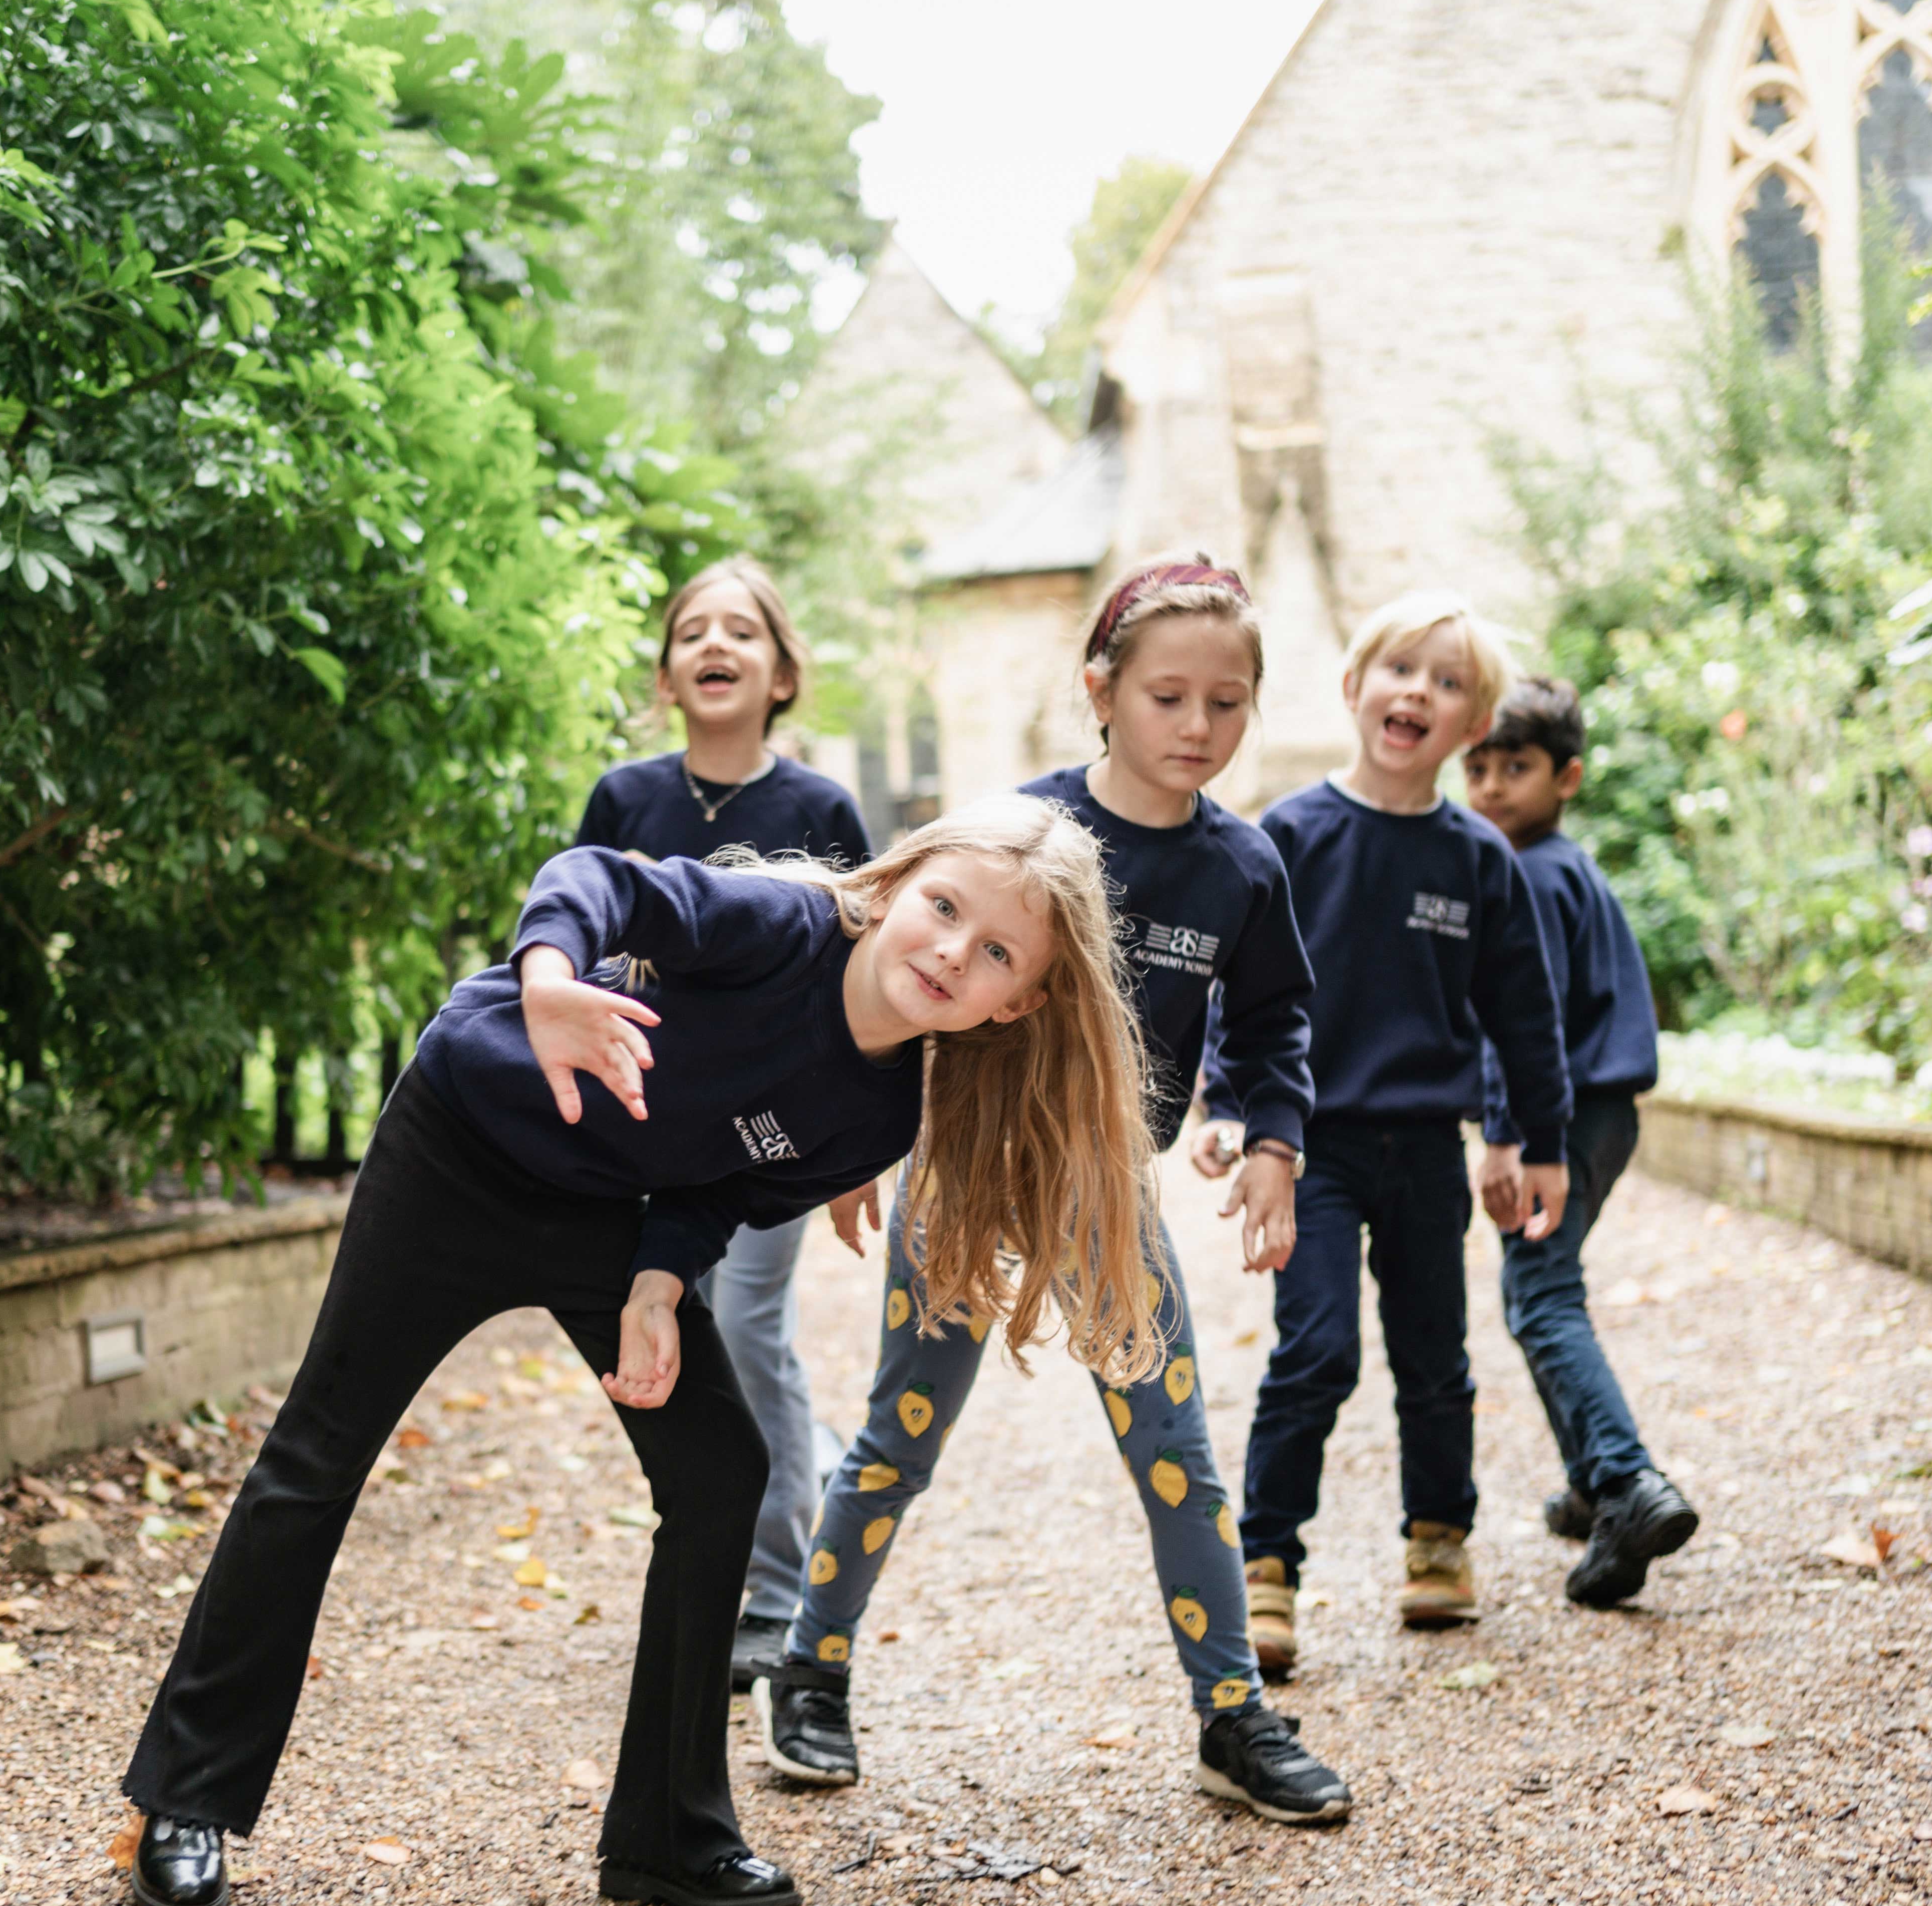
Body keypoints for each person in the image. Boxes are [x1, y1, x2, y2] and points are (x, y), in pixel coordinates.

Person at [121, 795, 1162, 1906]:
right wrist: (549, 985)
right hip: (461, 1142)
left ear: (1021, 1003)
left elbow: (722, 1187)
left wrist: (660, 1284)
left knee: (722, 1470)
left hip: (602, 1211)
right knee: (319, 1452)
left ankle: (671, 1833)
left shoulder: (877, 1119)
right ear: (893, 885)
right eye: (945, 907)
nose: (955, 950)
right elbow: (599, 878)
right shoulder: (781, 928)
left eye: (998, 951)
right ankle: (185, 1798)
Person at [754, 558, 1354, 1826]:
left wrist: (1273, 1138)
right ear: (1102, 689)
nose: (1198, 725)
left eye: (1228, 702)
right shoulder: (1017, 830)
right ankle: (810, 1668)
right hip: (965, 1168)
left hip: (1106, 1190)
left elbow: (1276, 1020)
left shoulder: (1244, 867)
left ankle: (1233, 1715)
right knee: (901, 1434)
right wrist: (856, 1139)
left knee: (1178, 1457)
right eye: (1168, 696)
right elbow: (899, 980)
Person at [1196, 590, 1572, 1673]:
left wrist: (1535, 1140)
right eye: (1401, 670)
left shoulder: (1479, 859)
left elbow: (1523, 1013)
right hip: (1307, 1148)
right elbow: (1241, 984)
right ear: (1355, 687)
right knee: (1315, 1351)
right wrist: (1229, 1103)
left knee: (1434, 1358)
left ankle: (1439, 1541)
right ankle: (1266, 1565)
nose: (1419, 693)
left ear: (1472, 726)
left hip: (1425, 1153)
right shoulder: (1291, 835)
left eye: (1448, 684)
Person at [573, 557, 872, 1692]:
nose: (715, 643)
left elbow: (860, 975)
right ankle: (711, 1550)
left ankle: (778, 1588)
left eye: (742, 630)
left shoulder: (821, 811)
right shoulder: (624, 799)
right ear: (666, 676)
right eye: (692, 629)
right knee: (673, 1328)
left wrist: (859, 1144)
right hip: (648, 1116)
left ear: (781, 674)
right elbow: (587, 937)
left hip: (770, 1123)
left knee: (750, 1326)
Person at [1461, 676, 1699, 1604]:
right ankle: (1594, 1485)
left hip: (1561, 1116)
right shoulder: (1562, 865)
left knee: (1542, 1291)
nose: (1491, 787)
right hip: (1599, 1112)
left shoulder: (1526, 875)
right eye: (1477, 768)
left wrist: (1509, 1136)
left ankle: (1626, 1482)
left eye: (1515, 768)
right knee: (1536, 1288)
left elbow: (1525, 1025)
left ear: (1568, 777)